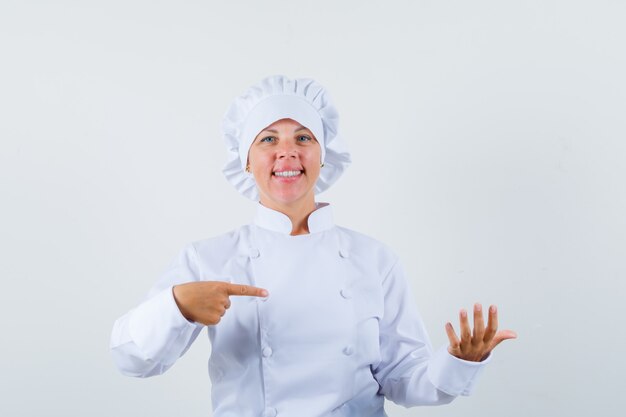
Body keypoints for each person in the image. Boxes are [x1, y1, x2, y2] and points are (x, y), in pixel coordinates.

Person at [110, 75, 516, 417]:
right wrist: (177, 305)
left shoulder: (375, 260)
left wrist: (460, 361)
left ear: (324, 156)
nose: (287, 150)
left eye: (303, 137)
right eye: (268, 139)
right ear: (245, 161)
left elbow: (404, 378)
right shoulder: (208, 258)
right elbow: (130, 360)